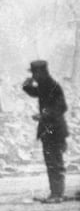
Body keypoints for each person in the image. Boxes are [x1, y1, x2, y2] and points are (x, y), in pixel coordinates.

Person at [22, 59, 69, 201]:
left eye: (35, 73)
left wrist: (44, 114)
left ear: (41, 72)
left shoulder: (51, 85)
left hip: (54, 129)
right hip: (49, 129)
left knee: (54, 162)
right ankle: (55, 193)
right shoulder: (44, 85)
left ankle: (57, 194)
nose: (34, 76)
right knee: (52, 162)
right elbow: (32, 91)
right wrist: (27, 83)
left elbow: (62, 107)